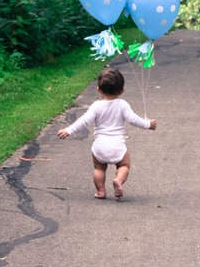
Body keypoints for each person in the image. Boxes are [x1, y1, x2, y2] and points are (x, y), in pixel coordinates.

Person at [58, 67, 156, 200]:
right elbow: (134, 120)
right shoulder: (122, 105)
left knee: (99, 169)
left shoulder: (96, 106)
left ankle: (101, 191)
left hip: (100, 146)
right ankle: (118, 180)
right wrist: (148, 124)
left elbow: (84, 120)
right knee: (124, 165)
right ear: (122, 91)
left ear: (98, 89)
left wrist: (68, 130)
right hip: (117, 147)